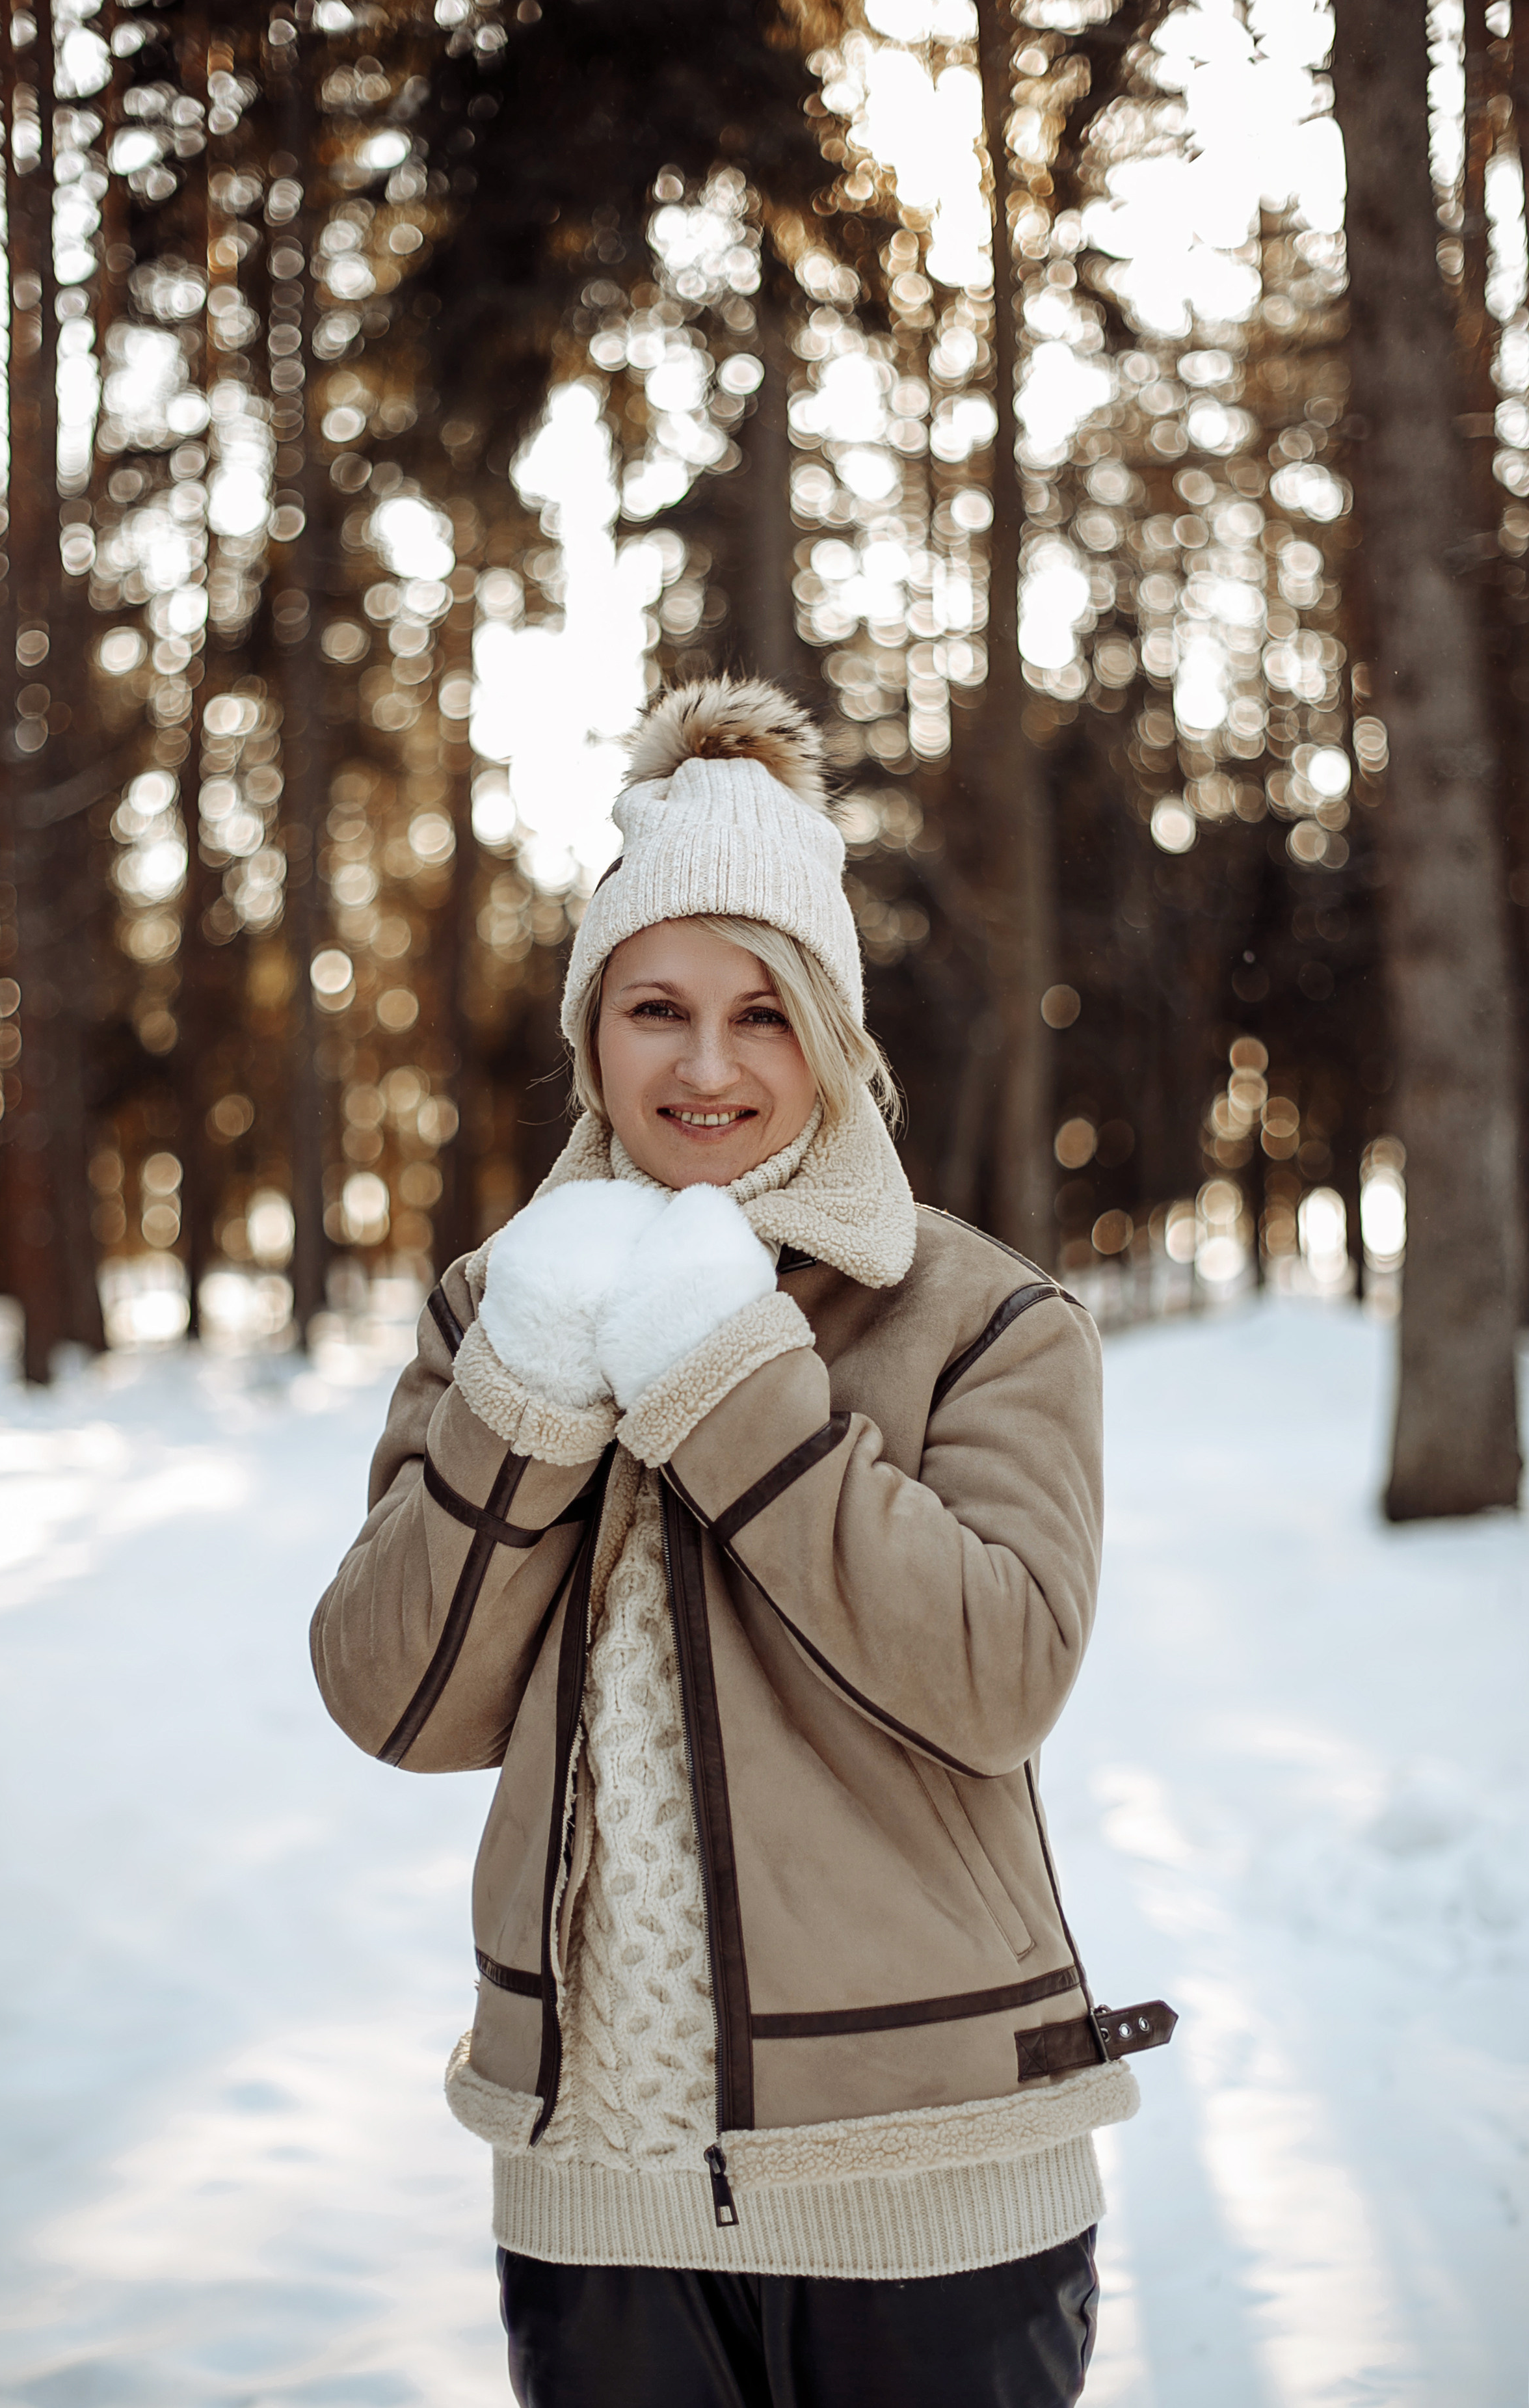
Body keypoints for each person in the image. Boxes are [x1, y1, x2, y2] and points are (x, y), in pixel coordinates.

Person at [312, 676, 1160, 2407]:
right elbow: (397, 1702)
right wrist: (536, 1384)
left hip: (929, 2192)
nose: (706, 1068)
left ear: (839, 1038)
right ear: (591, 1035)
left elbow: (1000, 1678)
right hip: (596, 2195)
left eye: (764, 1014)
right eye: (658, 1009)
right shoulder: (498, 1308)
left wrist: (727, 1376)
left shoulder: (987, 1322)